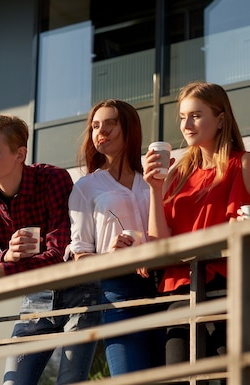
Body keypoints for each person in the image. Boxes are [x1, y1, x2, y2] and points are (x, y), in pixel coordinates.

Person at [0, 114, 101, 385]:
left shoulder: (52, 179)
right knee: (14, 381)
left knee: (69, 379)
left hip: (80, 290)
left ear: (20, 154)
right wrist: (7, 256)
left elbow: (58, 252)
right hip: (36, 296)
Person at [143, 81, 250, 367]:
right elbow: (160, 242)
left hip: (226, 286)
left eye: (196, 115)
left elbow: (238, 229)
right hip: (181, 290)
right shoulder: (178, 174)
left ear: (221, 119)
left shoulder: (244, 163)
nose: (186, 124)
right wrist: (154, 188)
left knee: (229, 375)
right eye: (182, 117)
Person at [66, 99, 165, 375]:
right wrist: (110, 256)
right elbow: (80, 256)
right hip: (118, 293)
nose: (102, 131)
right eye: (96, 126)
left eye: (111, 123)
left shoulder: (153, 179)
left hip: (165, 285)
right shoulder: (86, 187)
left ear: (129, 129)